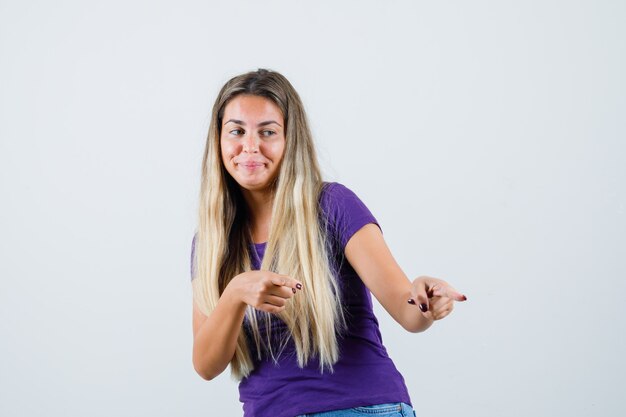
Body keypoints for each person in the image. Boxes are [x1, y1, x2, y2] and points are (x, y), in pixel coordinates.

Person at [189, 68, 467, 417]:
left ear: (291, 140)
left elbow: (408, 311)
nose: (250, 146)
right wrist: (235, 294)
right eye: (237, 131)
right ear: (218, 139)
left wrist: (427, 300)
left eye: (268, 132)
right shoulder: (211, 242)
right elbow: (206, 365)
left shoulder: (332, 205)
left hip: (360, 408)